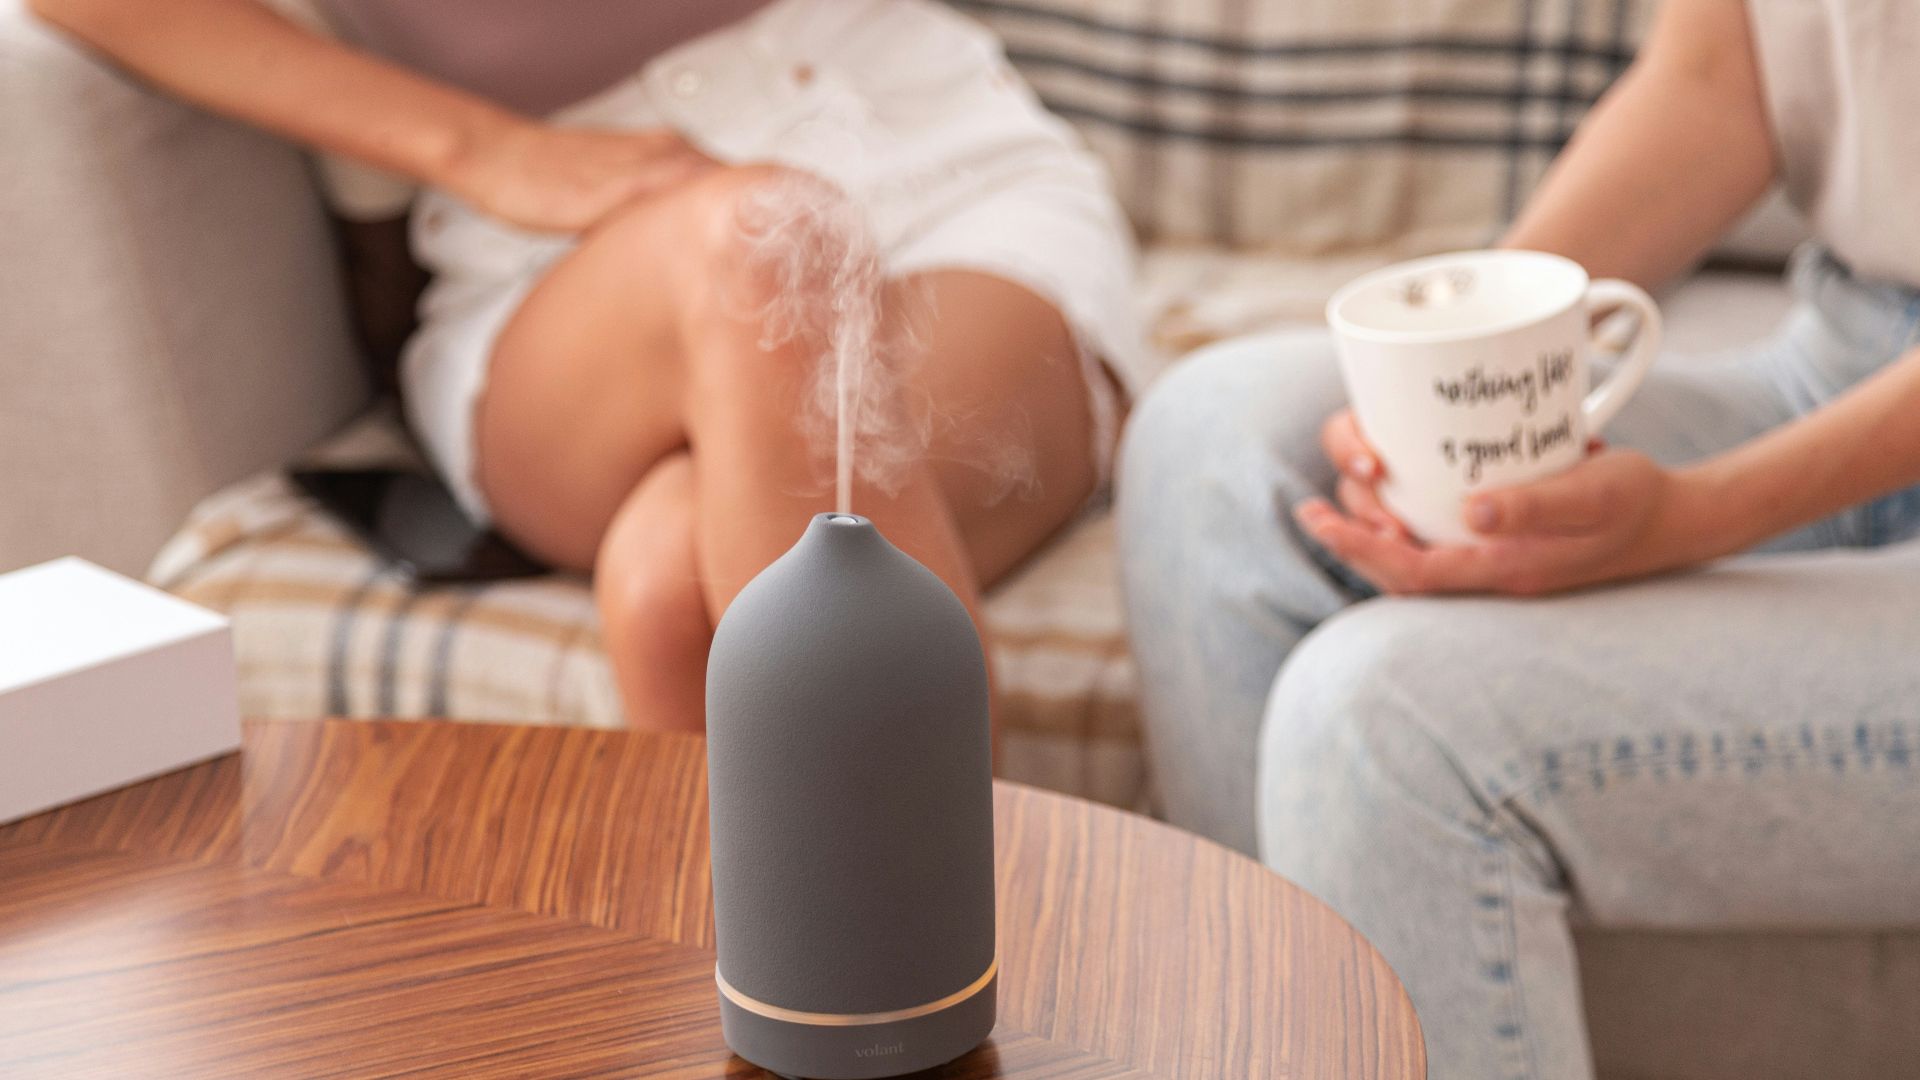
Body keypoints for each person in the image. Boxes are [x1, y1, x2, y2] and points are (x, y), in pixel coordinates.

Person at [1117, 2, 1920, 1077]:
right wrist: (1450, 364)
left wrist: (1694, 515)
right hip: (1854, 347)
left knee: (1377, 724)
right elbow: (1720, 74)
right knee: (1214, 446)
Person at [33, 0, 1143, 729]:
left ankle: (862, 1001)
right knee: (768, 244)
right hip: (554, 262)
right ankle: (930, 985)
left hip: (926, 181)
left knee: (671, 587)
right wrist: (479, 147)